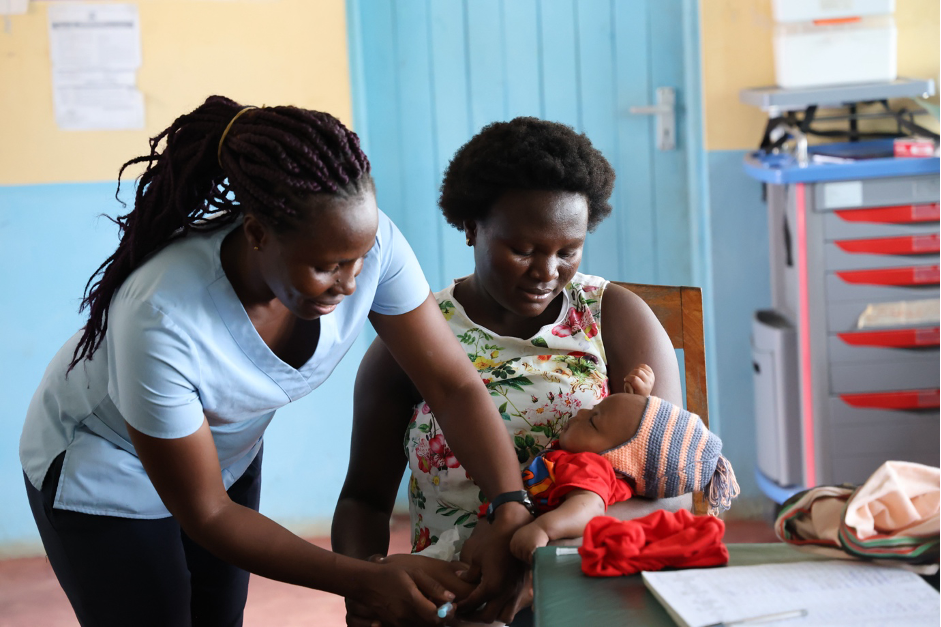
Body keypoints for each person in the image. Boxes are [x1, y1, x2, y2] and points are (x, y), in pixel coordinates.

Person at [18, 96, 536, 627]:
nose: (352, 282)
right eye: (327, 266)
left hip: (223, 451)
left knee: (219, 616)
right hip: (106, 465)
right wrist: (363, 578)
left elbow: (452, 386)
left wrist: (510, 503)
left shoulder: (367, 241)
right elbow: (209, 513)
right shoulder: (163, 314)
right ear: (257, 234)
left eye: (359, 260)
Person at [333, 117, 685, 626]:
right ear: (472, 226)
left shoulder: (615, 318)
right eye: (523, 250)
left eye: (568, 250)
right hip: (454, 601)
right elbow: (364, 501)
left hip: (589, 581)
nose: (547, 272)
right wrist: (364, 589)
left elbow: (668, 494)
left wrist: (541, 551)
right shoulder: (417, 337)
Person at [509, 363, 739, 564]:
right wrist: (639, 397)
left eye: (593, 422)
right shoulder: (602, 458)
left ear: (617, 461)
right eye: (593, 410)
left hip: (534, 545)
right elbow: (632, 438)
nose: (581, 413)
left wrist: (542, 529)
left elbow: (588, 508)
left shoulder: (592, 469)